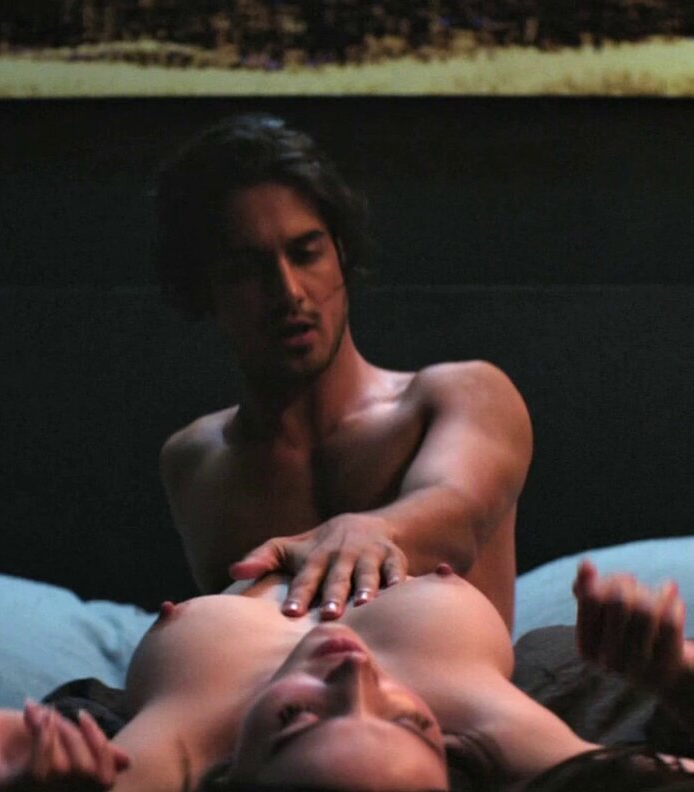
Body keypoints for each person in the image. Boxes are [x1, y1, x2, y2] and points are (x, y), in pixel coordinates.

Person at [0, 561, 694, 791]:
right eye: (412, 723)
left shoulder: (143, 760)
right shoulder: (534, 753)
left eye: (297, 722)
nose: (355, 671)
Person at [152, 114, 533, 627]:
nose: (289, 292)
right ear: (204, 290)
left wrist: (369, 532)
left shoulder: (459, 396)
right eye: (246, 271)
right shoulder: (196, 462)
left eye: (306, 254)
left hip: (448, 675)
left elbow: (456, 513)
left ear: (341, 254)